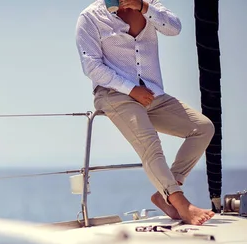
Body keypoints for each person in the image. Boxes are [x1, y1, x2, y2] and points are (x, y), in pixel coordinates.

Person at [75, 0, 215, 225]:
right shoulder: (90, 17)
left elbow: (174, 28)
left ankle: (165, 194)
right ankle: (181, 204)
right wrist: (131, 90)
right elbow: (91, 66)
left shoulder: (149, 4)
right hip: (114, 93)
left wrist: (144, 8)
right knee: (151, 143)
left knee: (203, 128)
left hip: (153, 94)